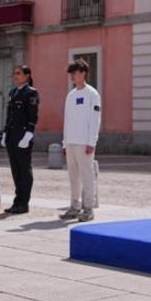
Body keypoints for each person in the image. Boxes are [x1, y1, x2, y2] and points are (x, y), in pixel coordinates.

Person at [61, 59, 100, 223]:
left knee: (87, 176)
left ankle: (88, 208)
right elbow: (67, 120)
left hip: (85, 142)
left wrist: (92, 142)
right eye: (71, 73)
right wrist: (64, 142)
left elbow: (95, 119)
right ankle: (74, 206)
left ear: (83, 73)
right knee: (73, 176)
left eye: (75, 73)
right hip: (71, 142)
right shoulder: (71, 95)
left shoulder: (92, 94)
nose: (72, 76)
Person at [1, 65, 39, 214]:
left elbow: (33, 116)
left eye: (18, 73)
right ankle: (17, 201)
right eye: (14, 73)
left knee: (24, 170)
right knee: (16, 171)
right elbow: (9, 115)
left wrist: (29, 134)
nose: (15, 76)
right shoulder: (13, 92)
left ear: (27, 76)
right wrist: (5, 133)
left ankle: (24, 203)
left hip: (23, 136)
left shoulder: (31, 93)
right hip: (12, 135)